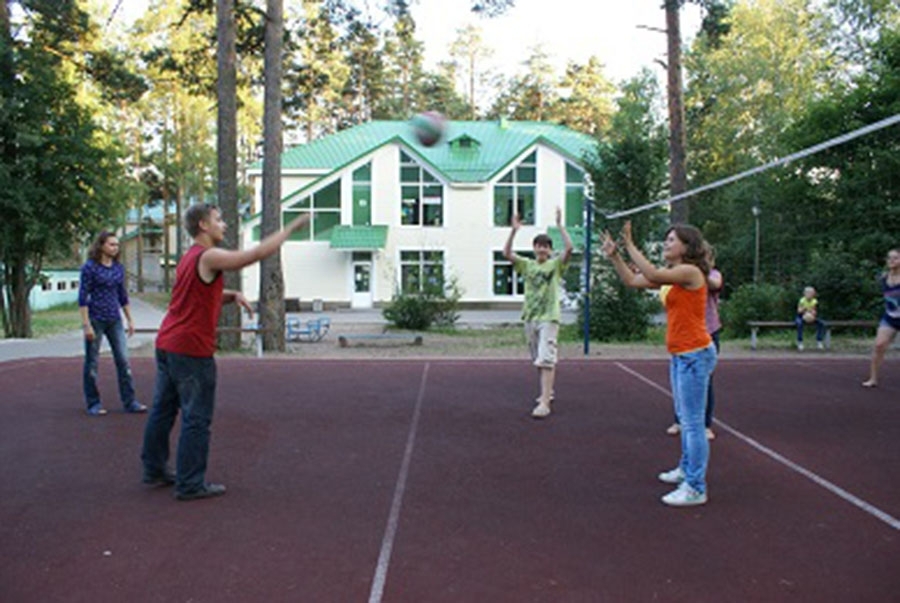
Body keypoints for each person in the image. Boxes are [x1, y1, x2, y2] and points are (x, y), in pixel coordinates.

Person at [141, 203, 309, 501]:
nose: (224, 224)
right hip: (190, 349)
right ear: (203, 225)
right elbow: (254, 255)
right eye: (218, 220)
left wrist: (230, 295)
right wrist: (290, 229)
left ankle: (153, 469)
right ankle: (190, 484)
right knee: (196, 417)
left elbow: (195, 294)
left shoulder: (190, 257)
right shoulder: (209, 256)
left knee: (162, 411)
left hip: (168, 344)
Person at [602, 222, 717, 507]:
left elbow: (651, 273)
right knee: (685, 418)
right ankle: (687, 469)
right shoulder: (673, 275)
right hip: (681, 354)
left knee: (692, 424)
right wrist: (615, 256)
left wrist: (630, 244)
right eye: (665, 239)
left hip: (694, 354)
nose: (666, 243)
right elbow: (633, 280)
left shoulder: (691, 272)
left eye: (671, 240)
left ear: (687, 247)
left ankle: (695, 486)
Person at [503, 207, 573, 418]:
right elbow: (506, 254)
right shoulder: (527, 265)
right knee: (538, 359)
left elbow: (569, 249)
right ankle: (547, 391)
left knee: (546, 358)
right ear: (534, 248)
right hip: (530, 317)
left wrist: (560, 226)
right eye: (539, 246)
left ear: (550, 250)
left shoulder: (555, 265)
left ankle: (544, 402)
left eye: (545, 246)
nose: (542, 249)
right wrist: (514, 231)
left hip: (549, 317)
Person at [78, 231, 146, 416]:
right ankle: (93, 403)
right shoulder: (90, 268)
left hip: (114, 319)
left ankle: (130, 401)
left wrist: (130, 319)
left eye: (117, 245)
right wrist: (86, 325)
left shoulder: (118, 268)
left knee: (123, 361)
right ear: (101, 246)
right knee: (92, 363)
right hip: (95, 319)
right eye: (111, 244)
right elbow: (83, 297)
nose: (115, 248)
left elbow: (122, 295)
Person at [666, 243, 722, 440]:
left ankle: (706, 423)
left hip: (708, 332)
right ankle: (679, 420)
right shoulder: (682, 274)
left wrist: (699, 270)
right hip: (685, 336)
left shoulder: (711, 274)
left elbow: (715, 284)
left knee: (705, 381)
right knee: (680, 381)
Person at [862, 247, 900, 388]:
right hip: (890, 316)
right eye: (889, 258)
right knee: (879, 345)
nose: (891, 260)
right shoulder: (884, 277)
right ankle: (873, 379)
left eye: (895, 258)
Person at [795, 285, 825, 351]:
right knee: (799, 324)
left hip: (811, 316)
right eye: (808, 293)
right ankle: (800, 342)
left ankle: (819, 341)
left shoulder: (814, 301)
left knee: (821, 323)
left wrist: (812, 313)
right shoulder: (802, 300)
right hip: (801, 316)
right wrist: (804, 309)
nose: (809, 295)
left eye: (811, 293)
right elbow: (799, 311)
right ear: (805, 294)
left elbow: (815, 312)